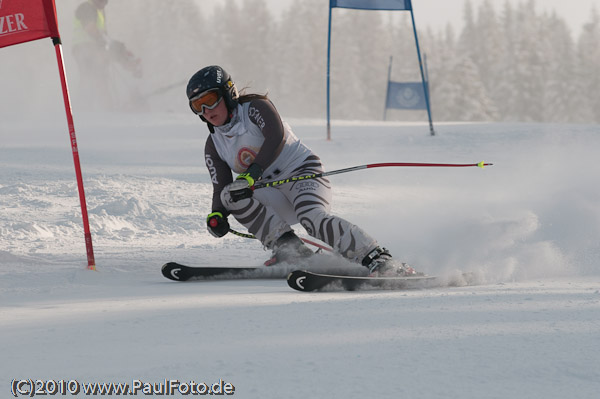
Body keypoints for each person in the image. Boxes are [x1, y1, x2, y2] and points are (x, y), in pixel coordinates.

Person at [187, 65, 417, 276]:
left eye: (210, 99)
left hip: (302, 173)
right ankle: (290, 251)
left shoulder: (255, 109)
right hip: (272, 190)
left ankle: (379, 258)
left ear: (228, 93)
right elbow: (220, 187)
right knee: (230, 195)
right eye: (197, 106)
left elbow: (275, 137)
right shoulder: (213, 144)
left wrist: (252, 174)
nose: (206, 110)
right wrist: (217, 214)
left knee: (313, 220)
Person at [72, 0, 141, 109]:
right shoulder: (86, 7)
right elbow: (90, 28)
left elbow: (102, 35)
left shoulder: (98, 11)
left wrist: (117, 48)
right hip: (84, 48)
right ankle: (87, 109)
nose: (106, 3)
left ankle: (106, 108)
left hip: (93, 47)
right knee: (94, 78)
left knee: (99, 77)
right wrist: (108, 45)